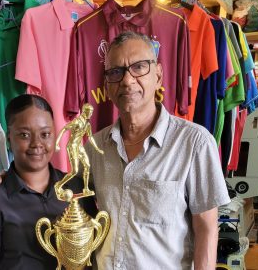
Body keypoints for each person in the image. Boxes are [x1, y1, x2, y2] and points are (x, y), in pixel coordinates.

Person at [85, 31, 231, 269]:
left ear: (159, 75)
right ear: (107, 85)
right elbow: (73, 200)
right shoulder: (95, 147)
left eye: (139, 67)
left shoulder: (194, 143)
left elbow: (206, 227)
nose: (127, 80)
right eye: (116, 72)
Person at [0, 94, 97, 270]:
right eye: (24, 135)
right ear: (9, 138)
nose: (37, 143)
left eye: (45, 134)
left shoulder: (78, 188)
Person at [54, 103, 103, 201]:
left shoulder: (87, 124)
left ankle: (85, 188)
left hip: (79, 147)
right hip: (72, 146)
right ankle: (58, 185)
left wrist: (97, 148)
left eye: (92, 112)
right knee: (74, 171)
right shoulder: (77, 122)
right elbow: (64, 129)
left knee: (87, 166)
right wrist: (57, 143)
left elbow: (90, 137)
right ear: (85, 111)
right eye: (90, 112)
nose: (91, 114)